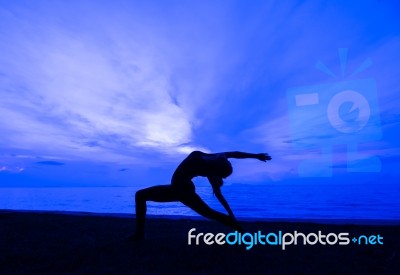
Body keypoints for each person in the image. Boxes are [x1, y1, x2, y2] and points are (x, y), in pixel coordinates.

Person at [130, 150, 272, 240]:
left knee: (211, 214)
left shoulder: (218, 157)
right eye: (220, 175)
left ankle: (242, 232)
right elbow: (236, 154)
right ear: (220, 169)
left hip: (182, 190)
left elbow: (235, 154)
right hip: (178, 188)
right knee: (140, 195)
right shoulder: (213, 165)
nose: (218, 178)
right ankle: (139, 234)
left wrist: (256, 156)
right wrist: (256, 156)